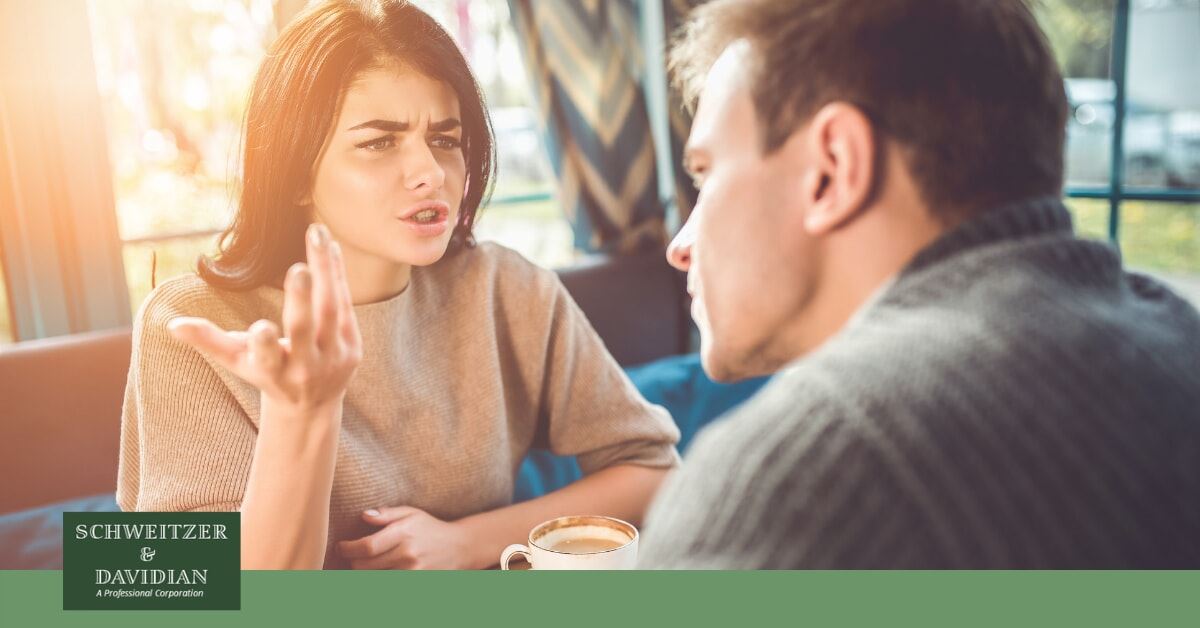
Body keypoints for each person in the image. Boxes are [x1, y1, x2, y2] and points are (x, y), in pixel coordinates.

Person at [116, 0, 681, 570]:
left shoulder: (505, 289)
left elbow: (654, 471)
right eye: (379, 142)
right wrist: (301, 413)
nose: (430, 173)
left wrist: (467, 543)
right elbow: (198, 589)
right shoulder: (189, 324)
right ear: (295, 173)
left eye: (445, 139)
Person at [638, 0, 1200, 568]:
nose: (679, 247)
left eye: (706, 174)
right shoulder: (1177, 336)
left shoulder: (810, 468)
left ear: (832, 169)